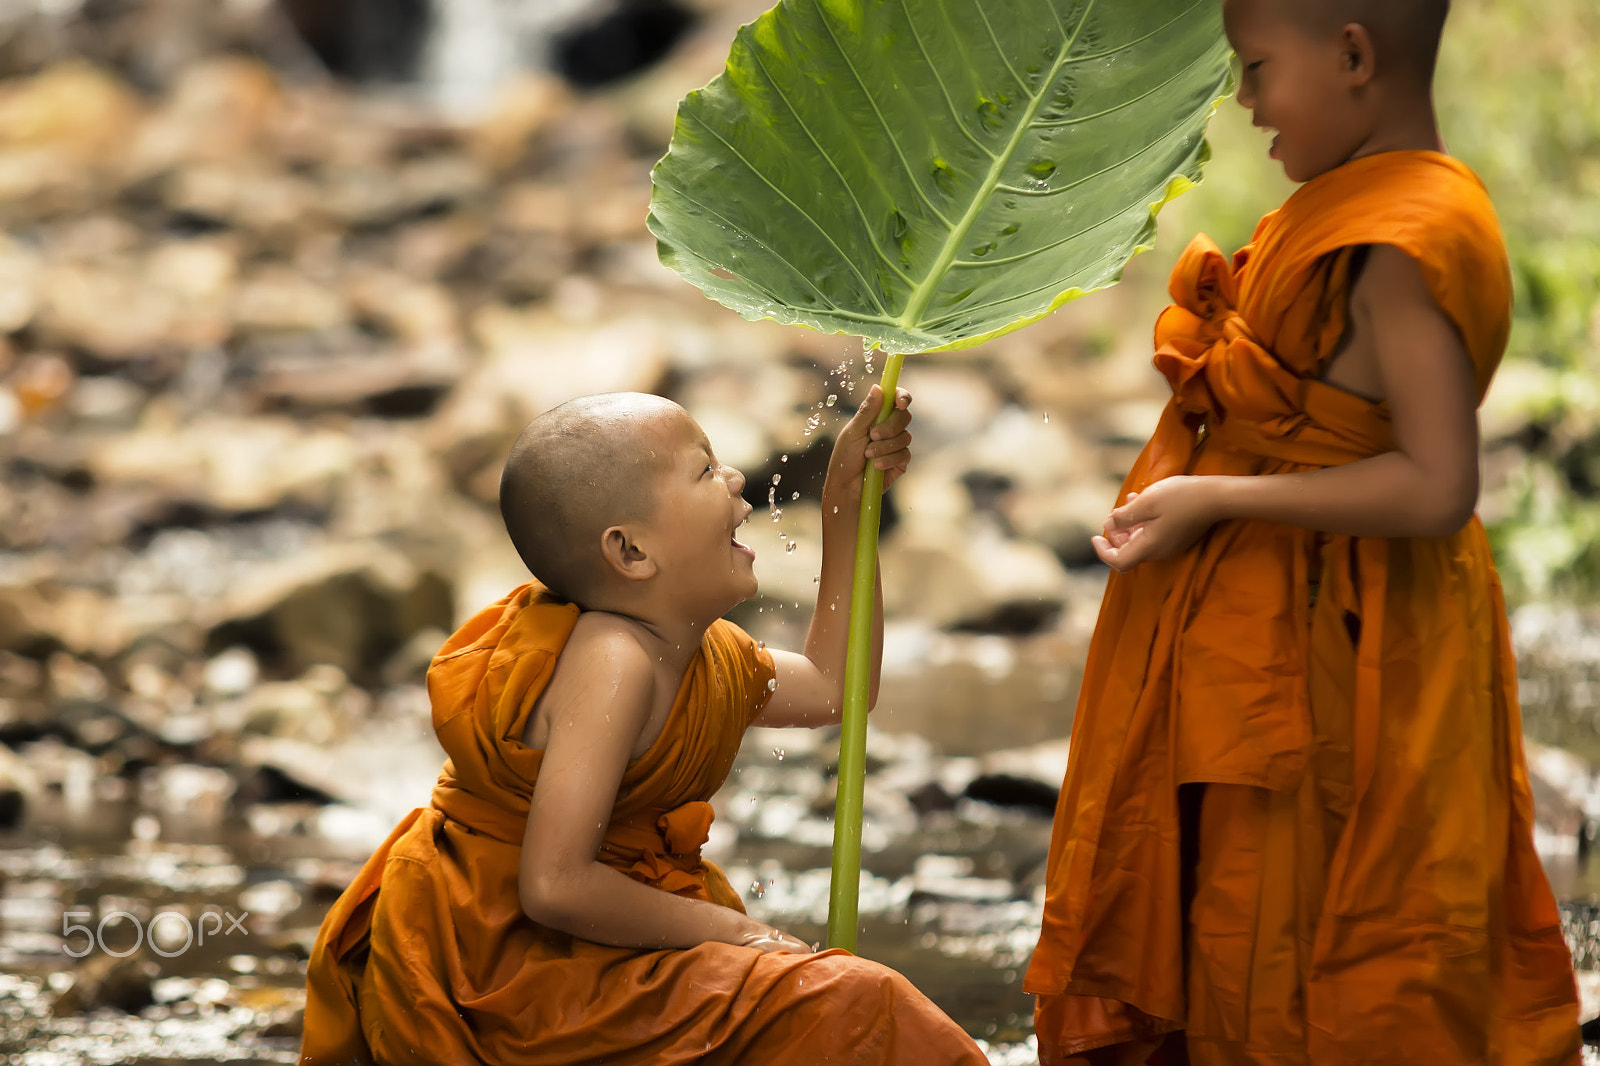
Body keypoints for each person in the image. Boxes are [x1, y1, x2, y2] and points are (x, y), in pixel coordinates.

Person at [1024, 0, 1582, 1063]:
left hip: (1349, 639)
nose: (1241, 101)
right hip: (1278, 626)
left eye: (1255, 70)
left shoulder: (1400, 240)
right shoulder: (1344, 204)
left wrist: (1219, 500)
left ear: (1354, 55)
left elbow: (1435, 485)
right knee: (1243, 900)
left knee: (1324, 901)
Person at [298, 387, 989, 1065]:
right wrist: (741, 936)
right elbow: (555, 885)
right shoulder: (614, 662)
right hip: (517, 967)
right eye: (705, 469)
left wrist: (845, 505)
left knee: (835, 1000)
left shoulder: (703, 651)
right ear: (631, 553)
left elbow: (837, 690)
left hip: (599, 934)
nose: (737, 477)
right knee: (856, 1001)